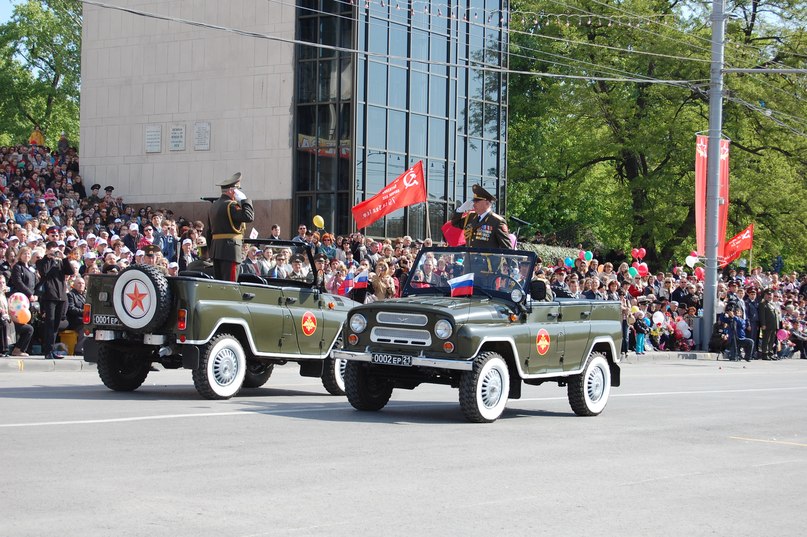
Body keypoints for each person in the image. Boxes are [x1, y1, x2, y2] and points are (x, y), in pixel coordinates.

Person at [204, 172, 254, 281]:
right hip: (231, 251)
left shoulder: (213, 206)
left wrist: (212, 251)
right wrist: (245, 201)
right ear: (231, 190)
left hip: (216, 250)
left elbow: (209, 232)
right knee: (230, 284)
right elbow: (249, 216)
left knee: (219, 283)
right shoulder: (231, 205)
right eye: (237, 190)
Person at [36, 240, 76, 359]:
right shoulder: (42, 261)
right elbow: (44, 272)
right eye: (52, 249)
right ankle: (48, 350)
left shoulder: (60, 262)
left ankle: (52, 349)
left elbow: (71, 272)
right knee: (50, 323)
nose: (54, 252)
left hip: (61, 296)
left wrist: (64, 258)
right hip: (49, 296)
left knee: (56, 324)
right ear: (48, 250)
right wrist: (48, 258)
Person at [448, 184, 512, 249]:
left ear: (487, 203)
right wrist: (460, 210)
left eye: (477, 202)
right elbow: (455, 223)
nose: (474, 204)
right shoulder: (471, 217)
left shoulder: (497, 221)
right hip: (469, 255)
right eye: (474, 201)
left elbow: (507, 248)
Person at [758, 288, 781, 360]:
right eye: (768, 294)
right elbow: (762, 315)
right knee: (766, 339)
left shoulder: (773, 304)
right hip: (767, 325)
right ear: (765, 295)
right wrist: (763, 324)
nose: (769, 296)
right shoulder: (762, 304)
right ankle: (764, 354)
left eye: (771, 295)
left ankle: (770, 353)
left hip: (774, 325)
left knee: (772, 340)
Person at [65, 277, 86, 355]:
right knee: (85, 326)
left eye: (83, 283)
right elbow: (71, 309)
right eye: (79, 283)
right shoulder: (70, 295)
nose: (81, 285)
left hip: (84, 318)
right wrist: (84, 312)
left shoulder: (85, 296)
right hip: (75, 320)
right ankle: (79, 350)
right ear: (74, 285)